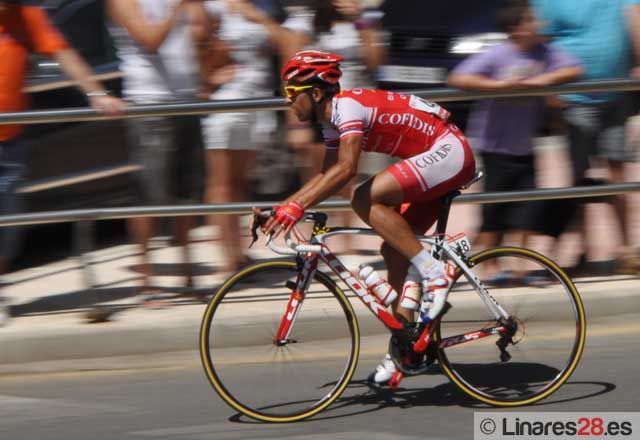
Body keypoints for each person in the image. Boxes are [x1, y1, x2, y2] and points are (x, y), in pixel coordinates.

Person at [258, 51, 476, 384]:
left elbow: (346, 170)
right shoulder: (333, 121)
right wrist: (283, 208)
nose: (288, 102)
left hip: (449, 151)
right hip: (434, 158)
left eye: (291, 93)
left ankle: (435, 273)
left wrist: (296, 208)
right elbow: (327, 177)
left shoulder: (347, 108)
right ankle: (404, 352)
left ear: (315, 94)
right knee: (394, 252)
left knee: (364, 197)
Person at [0, 0, 125, 326]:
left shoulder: (24, 16)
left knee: (7, 221)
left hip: (11, 141)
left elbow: (63, 53)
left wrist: (96, 93)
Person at [447, 0, 582, 258]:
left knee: (525, 212)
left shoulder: (544, 52)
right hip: (494, 147)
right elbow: (458, 78)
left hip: (525, 146)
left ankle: (519, 268)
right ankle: (488, 265)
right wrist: (500, 86)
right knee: (494, 213)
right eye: (532, 21)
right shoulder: (498, 54)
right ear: (517, 28)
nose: (539, 25)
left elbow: (574, 69)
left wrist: (543, 80)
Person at [107, 0, 206, 303]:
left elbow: (202, 33)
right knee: (150, 196)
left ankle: (189, 272)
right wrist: (178, 9)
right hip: (150, 103)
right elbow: (148, 40)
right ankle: (147, 281)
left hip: (186, 99)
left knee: (187, 193)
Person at [532, 0, 640, 270]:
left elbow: (634, 18)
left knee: (618, 175)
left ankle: (625, 250)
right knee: (580, 178)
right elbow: (542, 42)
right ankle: (583, 250)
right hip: (574, 97)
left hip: (616, 93)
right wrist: (549, 90)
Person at [201, 0, 294, 273]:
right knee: (221, 185)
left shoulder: (256, 8)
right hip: (227, 103)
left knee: (240, 184)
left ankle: (239, 253)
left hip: (256, 102)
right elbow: (198, 47)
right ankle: (227, 258)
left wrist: (256, 17)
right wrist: (210, 77)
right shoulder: (213, 7)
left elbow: (285, 40)